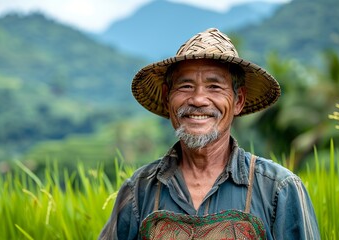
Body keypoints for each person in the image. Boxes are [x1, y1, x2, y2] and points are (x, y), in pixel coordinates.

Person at [99, 28, 320, 239]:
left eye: (214, 87)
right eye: (185, 86)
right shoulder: (139, 190)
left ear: (238, 101)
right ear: (167, 98)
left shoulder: (278, 189)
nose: (198, 99)